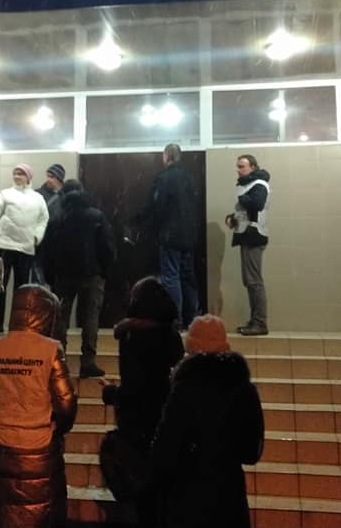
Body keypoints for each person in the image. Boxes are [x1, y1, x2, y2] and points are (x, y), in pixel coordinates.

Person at [150, 314, 265, 528]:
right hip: (229, 495)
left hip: (187, 496)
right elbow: (251, 452)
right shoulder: (244, 390)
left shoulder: (184, 390)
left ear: (191, 348)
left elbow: (165, 449)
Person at [0, 285, 77, 528]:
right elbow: (66, 403)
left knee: (3, 511)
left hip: (0, 442)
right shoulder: (50, 349)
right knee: (40, 512)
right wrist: (59, 428)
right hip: (39, 444)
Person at [100, 276, 184, 526]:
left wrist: (112, 393)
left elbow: (137, 389)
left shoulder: (132, 337)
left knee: (140, 501)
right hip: (165, 424)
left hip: (137, 428)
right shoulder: (171, 336)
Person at [42, 179, 114, 378]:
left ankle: (60, 361)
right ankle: (88, 362)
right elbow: (107, 247)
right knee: (91, 317)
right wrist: (105, 272)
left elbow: (47, 251)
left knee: (60, 319)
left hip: (63, 275)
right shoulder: (96, 216)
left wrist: (50, 276)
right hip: (92, 274)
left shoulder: (57, 219)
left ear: (64, 195)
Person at [138, 143, 199, 327]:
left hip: (170, 235)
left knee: (171, 277)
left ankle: (175, 319)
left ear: (166, 156)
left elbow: (157, 206)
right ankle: (193, 319)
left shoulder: (164, 177)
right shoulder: (189, 177)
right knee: (188, 277)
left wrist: (144, 223)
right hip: (189, 235)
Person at [0, 163, 50, 333]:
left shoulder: (38, 198)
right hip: (3, 245)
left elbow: (43, 219)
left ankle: (18, 324)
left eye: (21, 173)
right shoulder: (4, 194)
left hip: (26, 248)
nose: (17, 176)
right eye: (15, 173)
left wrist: (36, 237)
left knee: (22, 290)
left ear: (28, 177)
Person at [225, 154, 271, 336]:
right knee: (250, 281)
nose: (238, 169)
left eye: (242, 166)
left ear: (253, 167)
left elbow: (257, 205)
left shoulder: (259, 184)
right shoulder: (249, 184)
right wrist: (234, 218)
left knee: (254, 281)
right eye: (237, 166)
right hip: (248, 235)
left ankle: (260, 323)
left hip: (254, 236)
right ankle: (255, 321)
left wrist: (242, 198)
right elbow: (249, 211)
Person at [33, 163, 66, 283]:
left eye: (52, 177)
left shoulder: (65, 196)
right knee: (38, 281)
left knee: (56, 281)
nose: (48, 179)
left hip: (58, 244)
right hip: (41, 243)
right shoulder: (37, 194)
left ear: (59, 179)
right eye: (47, 176)